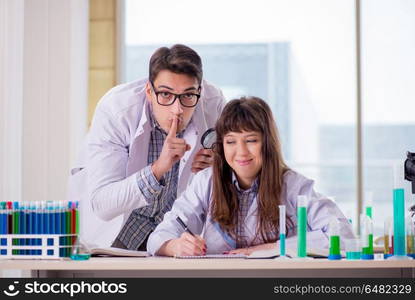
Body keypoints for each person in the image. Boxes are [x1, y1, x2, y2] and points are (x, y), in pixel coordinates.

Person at [147, 96, 354, 256]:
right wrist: (175, 246)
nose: (241, 152)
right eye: (231, 142)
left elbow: (344, 237)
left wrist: (273, 248)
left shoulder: (294, 186)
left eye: (251, 140)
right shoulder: (206, 182)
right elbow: (158, 237)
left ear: (268, 143)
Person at [67, 44, 226, 249]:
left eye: (188, 95)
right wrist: (159, 167)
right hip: (117, 232)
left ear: (200, 92)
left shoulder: (214, 103)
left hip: (173, 235)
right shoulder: (117, 109)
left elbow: (232, 173)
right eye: (166, 95)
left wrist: (218, 165)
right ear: (149, 91)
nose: (177, 109)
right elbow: (103, 204)